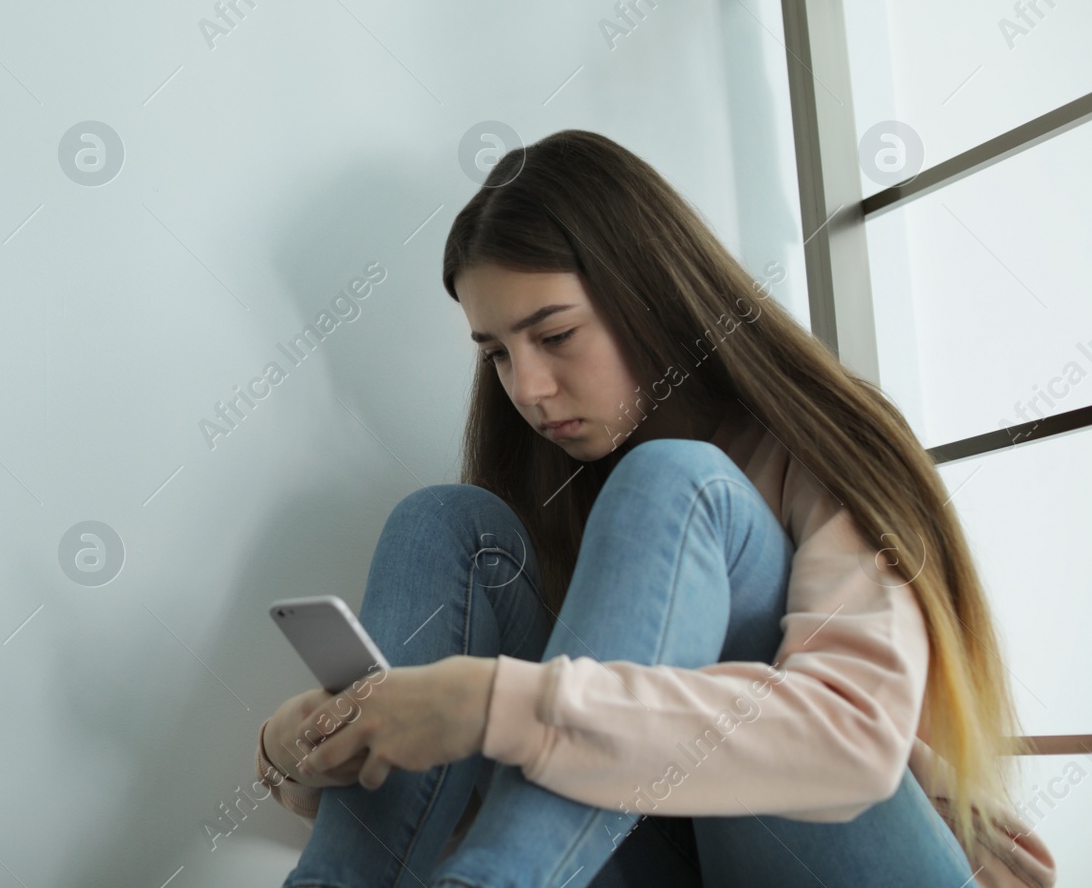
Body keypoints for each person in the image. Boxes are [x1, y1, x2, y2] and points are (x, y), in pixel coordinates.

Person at [252, 130, 1057, 887]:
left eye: (556, 334)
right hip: (668, 854)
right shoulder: (557, 492)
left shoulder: (810, 441)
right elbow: (479, 791)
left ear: (650, 294)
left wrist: (491, 702)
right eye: (497, 353)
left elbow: (853, 750)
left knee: (678, 483)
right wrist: (300, 742)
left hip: (844, 844)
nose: (526, 387)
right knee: (441, 522)